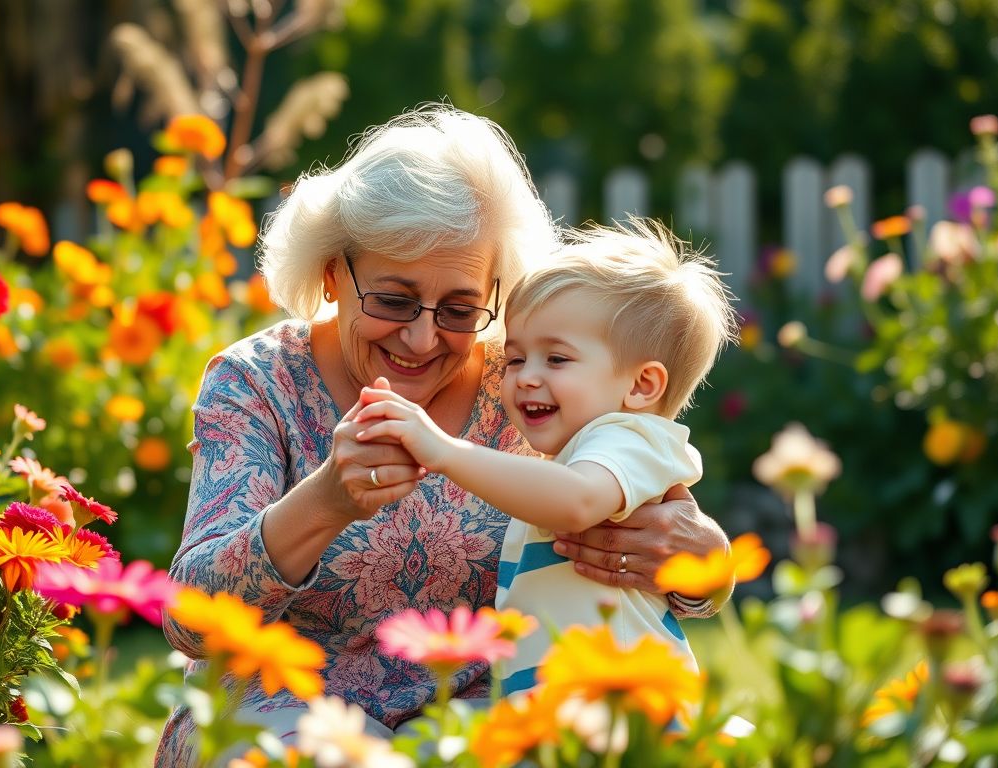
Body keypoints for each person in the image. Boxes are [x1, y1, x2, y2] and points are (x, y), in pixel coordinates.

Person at [155, 105, 732, 767]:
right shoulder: (258, 383)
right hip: (284, 704)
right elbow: (189, 620)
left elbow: (649, 526)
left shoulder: (531, 382)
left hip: (486, 710)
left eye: (459, 308)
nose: (423, 338)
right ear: (331, 275)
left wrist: (704, 571)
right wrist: (324, 504)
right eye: (394, 301)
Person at [352, 220, 738, 696]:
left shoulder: (630, 438)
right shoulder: (581, 449)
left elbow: (576, 503)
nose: (525, 378)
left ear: (642, 386)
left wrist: (446, 451)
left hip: (624, 698)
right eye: (515, 358)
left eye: (556, 359)